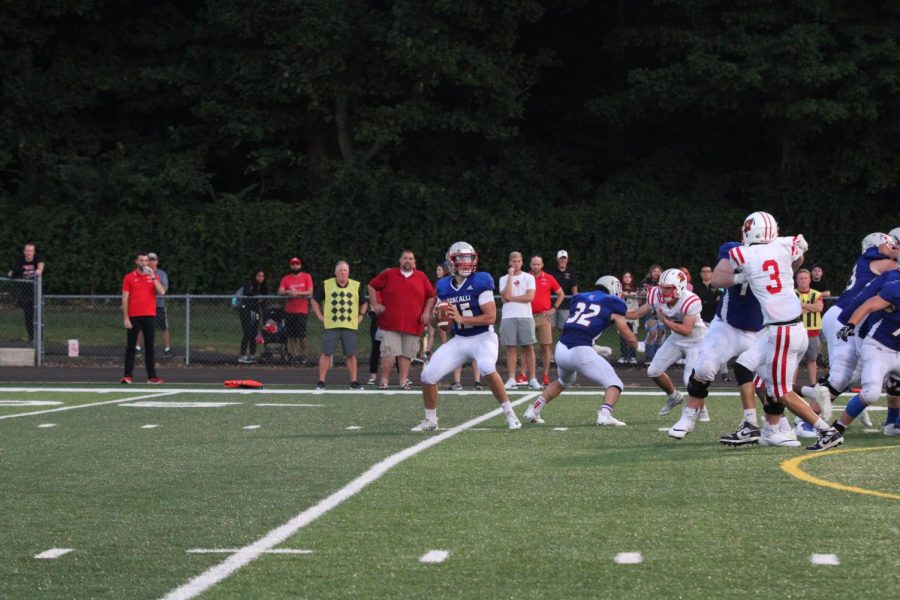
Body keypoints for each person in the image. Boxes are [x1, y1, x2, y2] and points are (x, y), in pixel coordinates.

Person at [719, 211, 840, 449]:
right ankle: (751, 425)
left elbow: (724, 273)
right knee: (743, 365)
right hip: (789, 326)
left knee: (781, 391)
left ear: (749, 231)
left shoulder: (742, 253)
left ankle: (826, 432)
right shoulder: (786, 244)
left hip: (782, 330)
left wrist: (749, 275)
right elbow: (798, 259)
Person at [415, 241, 520, 431]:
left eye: (468, 258)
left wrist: (461, 317)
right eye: (461, 258)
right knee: (428, 374)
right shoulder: (443, 286)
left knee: (487, 367)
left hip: (483, 337)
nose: (465, 262)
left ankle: (510, 414)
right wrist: (436, 318)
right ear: (451, 261)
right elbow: (440, 324)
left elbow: (491, 316)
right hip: (460, 339)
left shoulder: (481, 280)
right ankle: (430, 420)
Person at [666, 243, 766, 443]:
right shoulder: (734, 250)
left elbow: (796, 266)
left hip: (760, 329)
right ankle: (688, 415)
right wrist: (742, 277)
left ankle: (777, 424)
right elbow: (717, 280)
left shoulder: (778, 251)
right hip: (728, 325)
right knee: (704, 367)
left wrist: (798, 252)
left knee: (773, 382)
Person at [522, 276, 637, 426]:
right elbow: (630, 319)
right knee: (614, 383)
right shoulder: (612, 302)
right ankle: (605, 415)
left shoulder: (580, 297)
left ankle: (534, 410)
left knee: (564, 381)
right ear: (614, 289)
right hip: (580, 350)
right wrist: (638, 345)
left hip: (561, 349)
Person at [810, 233, 898, 422]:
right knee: (841, 376)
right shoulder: (875, 258)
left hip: (851, 315)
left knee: (856, 372)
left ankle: (854, 403)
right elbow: (893, 263)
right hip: (846, 316)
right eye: (890, 245)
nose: (893, 248)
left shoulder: (874, 262)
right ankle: (807, 421)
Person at [816, 277, 900, 450]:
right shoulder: (895, 289)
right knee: (871, 393)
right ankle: (836, 429)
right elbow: (868, 305)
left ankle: (894, 424)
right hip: (879, 347)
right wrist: (850, 324)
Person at [626, 268, 708, 417]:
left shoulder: (691, 300)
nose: (663, 292)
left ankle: (703, 411)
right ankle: (673, 396)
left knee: (689, 380)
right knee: (653, 371)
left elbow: (686, 330)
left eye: (668, 289)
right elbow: (636, 313)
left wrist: (665, 322)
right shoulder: (656, 295)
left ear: (680, 287)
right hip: (676, 339)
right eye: (662, 288)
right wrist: (613, 311)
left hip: (696, 341)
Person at [368, 249, 436, 390]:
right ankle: (384, 381)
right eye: (405, 258)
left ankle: (403, 381)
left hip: (413, 324)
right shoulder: (389, 274)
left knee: (407, 355)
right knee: (389, 354)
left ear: (414, 262)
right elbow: (372, 286)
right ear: (400, 260)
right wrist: (375, 304)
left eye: (410, 258)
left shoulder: (421, 277)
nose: (408, 261)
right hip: (390, 323)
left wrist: (426, 311)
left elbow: (431, 296)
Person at [312, 261, 368, 389]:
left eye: (345, 270)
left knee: (351, 354)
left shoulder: (356, 285)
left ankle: (353, 381)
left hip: (350, 326)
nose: (343, 273)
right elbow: (314, 300)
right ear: (335, 272)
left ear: (348, 272)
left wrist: (361, 315)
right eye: (340, 270)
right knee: (326, 353)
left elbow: (364, 303)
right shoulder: (326, 285)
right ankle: (321, 382)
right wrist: (320, 315)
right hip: (331, 325)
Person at [121, 252, 166, 384]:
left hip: (149, 316)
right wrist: (126, 318)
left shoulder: (153, 276)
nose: (144, 263)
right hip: (134, 316)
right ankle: (127, 376)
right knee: (131, 347)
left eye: (146, 261)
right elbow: (124, 299)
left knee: (150, 347)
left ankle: (152, 377)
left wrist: (152, 277)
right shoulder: (129, 277)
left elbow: (162, 292)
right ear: (136, 262)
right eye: (141, 261)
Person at [498, 251, 538, 390]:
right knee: (511, 348)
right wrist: (510, 276)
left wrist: (511, 299)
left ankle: (532, 378)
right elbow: (505, 295)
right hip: (508, 316)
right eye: (514, 261)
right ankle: (511, 379)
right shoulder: (504, 278)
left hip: (525, 316)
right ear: (510, 262)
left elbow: (529, 297)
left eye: (519, 261)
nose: (516, 264)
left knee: (529, 347)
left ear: (522, 262)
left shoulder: (529, 277)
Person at [530, 255, 564, 386]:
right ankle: (527, 376)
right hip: (528, 316)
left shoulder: (549, 278)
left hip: (544, 317)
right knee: (528, 347)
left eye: (538, 264)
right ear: (530, 265)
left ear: (542, 265)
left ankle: (545, 375)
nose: (536, 267)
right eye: (534, 264)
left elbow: (560, 294)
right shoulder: (526, 277)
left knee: (546, 346)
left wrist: (554, 308)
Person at [278, 257, 314, 362]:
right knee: (291, 335)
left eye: (297, 264)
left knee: (302, 335)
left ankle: (303, 355)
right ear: (290, 266)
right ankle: (294, 354)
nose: (295, 266)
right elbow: (280, 291)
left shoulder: (306, 277)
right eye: (293, 264)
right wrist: (288, 291)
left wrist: (297, 293)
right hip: (289, 310)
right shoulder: (286, 278)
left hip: (301, 310)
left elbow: (310, 292)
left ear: (300, 265)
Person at [8, 242, 44, 345]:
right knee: (28, 316)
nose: (29, 253)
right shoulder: (20, 260)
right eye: (27, 251)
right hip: (25, 293)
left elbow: (41, 265)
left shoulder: (37, 258)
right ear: (24, 251)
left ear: (34, 252)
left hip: (36, 291)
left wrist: (39, 270)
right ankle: (31, 338)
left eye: (31, 251)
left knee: (39, 315)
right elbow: (11, 272)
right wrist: (12, 273)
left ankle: (40, 338)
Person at [138, 253, 172, 358]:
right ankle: (137, 349)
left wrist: (153, 281)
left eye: (154, 260)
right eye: (149, 260)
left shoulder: (162, 274)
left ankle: (167, 349)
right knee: (140, 327)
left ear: (157, 261)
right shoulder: (141, 273)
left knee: (164, 327)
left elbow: (164, 289)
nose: (151, 262)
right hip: (144, 306)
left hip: (159, 305)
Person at [795, 268, 824, 389]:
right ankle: (791, 384)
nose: (803, 281)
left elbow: (819, 308)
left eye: (805, 278)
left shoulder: (816, 294)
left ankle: (813, 384)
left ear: (810, 280)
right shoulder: (792, 293)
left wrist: (802, 305)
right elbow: (794, 310)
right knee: (794, 359)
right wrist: (810, 307)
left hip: (813, 331)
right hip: (796, 331)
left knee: (812, 359)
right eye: (800, 278)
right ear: (796, 280)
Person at [237, 269, 267, 364]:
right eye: (259, 276)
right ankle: (242, 355)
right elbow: (247, 292)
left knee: (254, 333)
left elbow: (264, 298)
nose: (261, 278)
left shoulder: (262, 287)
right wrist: (257, 296)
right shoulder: (249, 284)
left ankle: (253, 354)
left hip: (255, 312)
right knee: (247, 332)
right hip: (246, 310)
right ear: (255, 276)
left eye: (262, 276)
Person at [545, 250, 578, 334]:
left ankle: (563, 346)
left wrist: (575, 298)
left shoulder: (571, 270)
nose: (562, 260)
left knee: (563, 328)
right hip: (551, 303)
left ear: (567, 260)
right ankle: (549, 347)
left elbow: (574, 285)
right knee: (549, 328)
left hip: (565, 304)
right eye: (561, 258)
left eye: (564, 258)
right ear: (557, 260)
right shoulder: (550, 271)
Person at [639, 264, 664, 362]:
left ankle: (658, 357)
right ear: (650, 273)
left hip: (661, 311)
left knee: (660, 334)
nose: (656, 273)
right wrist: (653, 290)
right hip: (649, 311)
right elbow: (640, 293)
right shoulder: (645, 282)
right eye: (654, 271)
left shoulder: (663, 282)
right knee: (652, 333)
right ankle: (649, 357)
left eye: (658, 271)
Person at [617, 272, 639, 365]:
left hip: (633, 314)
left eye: (629, 277)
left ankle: (632, 356)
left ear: (632, 279)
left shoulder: (636, 290)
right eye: (625, 277)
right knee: (623, 336)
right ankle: (624, 355)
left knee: (633, 335)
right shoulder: (619, 289)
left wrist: (634, 295)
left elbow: (639, 300)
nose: (627, 278)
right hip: (623, 315)